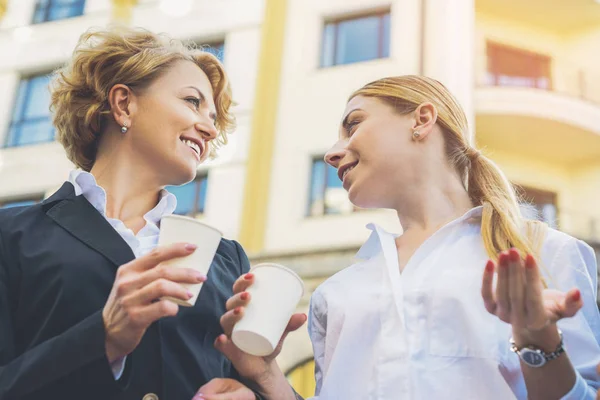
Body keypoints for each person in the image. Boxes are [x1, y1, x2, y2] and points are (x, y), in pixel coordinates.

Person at [211, 75, 600, 399]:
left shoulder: (545, 253)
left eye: (353, 124)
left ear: (423, 119)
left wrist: (538, 342)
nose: (332, 153)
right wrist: (267, 378)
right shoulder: (337, 293)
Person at [0, 26, 267, 400]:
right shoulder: (11, 235)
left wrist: (258, 394)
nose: (208, 127)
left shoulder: (227, 260)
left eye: (212, 116)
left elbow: (253, 382)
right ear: (124, 104)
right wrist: (102, 337)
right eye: (192, 101)